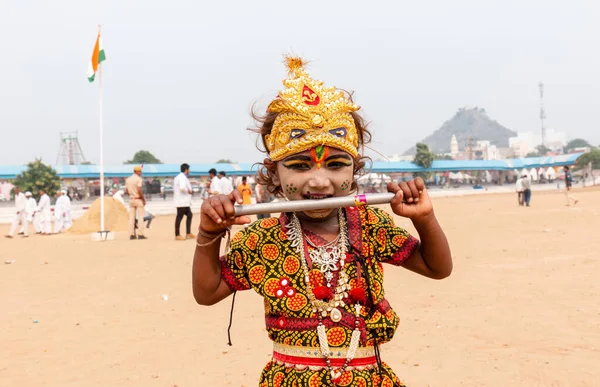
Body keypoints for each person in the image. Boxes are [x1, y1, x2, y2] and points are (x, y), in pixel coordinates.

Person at [192, 56, 452, 387]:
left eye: (336, 165)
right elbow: (207, 292)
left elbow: (437, 267)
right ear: (275, 173)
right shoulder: (261, 238)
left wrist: (425, 218)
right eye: (299, 166)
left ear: (354, 171)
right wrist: (209, 232)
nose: (319, 182)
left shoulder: (371, 225)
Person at [174, 163, 195, 240]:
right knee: (179, 217)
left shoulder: (179, 177)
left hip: (184, 202)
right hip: (182, 201)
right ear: (186, 169)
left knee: (189, 215)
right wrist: (189, 191)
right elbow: (182, 188)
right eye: (189, 169)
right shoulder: (182, 177)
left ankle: (188, 233)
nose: (189, 171)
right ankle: (177, 235)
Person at [125, 166, 147, 240]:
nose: (141, 173)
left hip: (131, 199)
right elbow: (139, 189)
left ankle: (132, 234)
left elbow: (127, 190)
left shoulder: (128, 179)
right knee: (140, 217)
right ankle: (140, 234)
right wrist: (143, 199)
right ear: (137, 172)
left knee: (131, 218)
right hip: (138, 199)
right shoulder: (139, 179)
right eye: (140, 172)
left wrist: (131, 195)